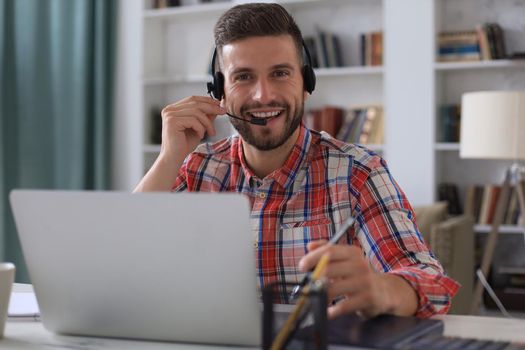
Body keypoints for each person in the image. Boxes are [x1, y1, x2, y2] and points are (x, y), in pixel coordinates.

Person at [134, 3, 458, 319]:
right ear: (219, 92)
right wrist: (168, 157)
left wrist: (383, 289)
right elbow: (124, 261)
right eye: (243, 77)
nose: (263, 95)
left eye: (280, 73)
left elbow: (429, 283)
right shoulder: (196, 168)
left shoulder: (357, 173)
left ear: (306, 84)